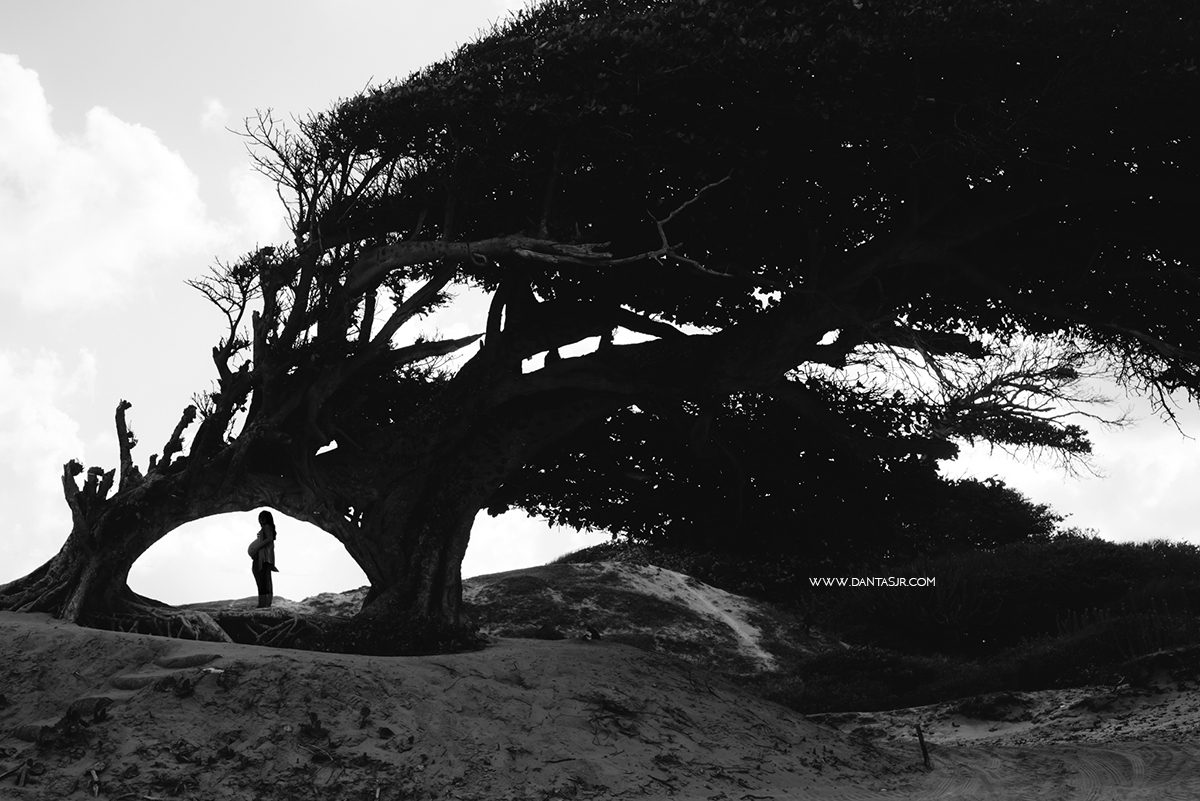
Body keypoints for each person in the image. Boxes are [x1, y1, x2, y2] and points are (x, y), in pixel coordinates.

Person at [247, 510, 278, 608]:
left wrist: (256, 547)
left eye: (263, 517)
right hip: (262, 558)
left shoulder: (267, 527)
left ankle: (264, 603)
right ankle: (265, 603)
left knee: (263, 581)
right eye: (260, 518)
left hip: (264, 559)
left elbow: (269, 539)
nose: (261, 520)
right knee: (263, 581)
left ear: (268, 519)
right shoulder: (265, 529)